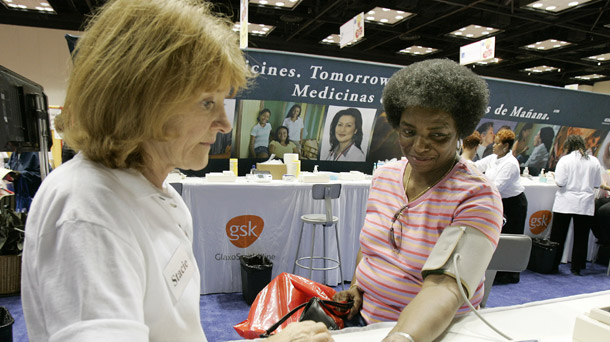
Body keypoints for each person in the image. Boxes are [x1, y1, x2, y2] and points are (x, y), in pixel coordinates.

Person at [20, 1, 332, 341]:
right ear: (141, 101)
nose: (224, 124)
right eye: (206, 102)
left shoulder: (158, 194)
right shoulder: (88, 212)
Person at [333, 59, 503, 342]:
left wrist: (401, 337)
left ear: (460, 132)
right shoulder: (385, 176)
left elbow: (445, 289)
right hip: (364, 322)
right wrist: (356, 287)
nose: (420, 146)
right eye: (408, 132)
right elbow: (372, 247)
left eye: (437, 135)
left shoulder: (476, 196)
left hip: (428, 334)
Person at [475, 128, 528, 283]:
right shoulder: (493, 158)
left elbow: (496, 187)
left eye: (497, 143)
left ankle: (510, 275)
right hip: (501, 202)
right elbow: (476, 166)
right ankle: (496, 271)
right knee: (498, 238)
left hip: (514, 204)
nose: (493, 145)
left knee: (511, 240)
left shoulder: (511, 164)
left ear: (505, 146)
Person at [549, 134, 603, 276]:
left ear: (568, 146)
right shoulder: (594, 161)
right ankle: (577, 267)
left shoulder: (565, 160)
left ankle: (553, 265)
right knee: (581, 237)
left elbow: (560, 182)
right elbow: (597, 184)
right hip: (585, 203)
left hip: (565, 201)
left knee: (558, 236)